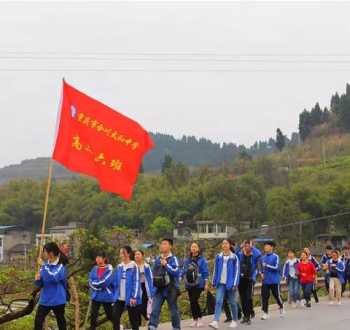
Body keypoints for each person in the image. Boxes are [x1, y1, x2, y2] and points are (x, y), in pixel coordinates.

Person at [148, 239, 181, 330]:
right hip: (159, 289)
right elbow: (153, 274)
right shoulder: (158, 259)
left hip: (171, 289)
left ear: (170, 246)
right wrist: (152, 290)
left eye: (165, 244)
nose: (162, 245)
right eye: (161, 244)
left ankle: (176, 327)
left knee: (173, 310)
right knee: (155, 308)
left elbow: (176, 272)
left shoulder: (173, 258)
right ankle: (152, 326)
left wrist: (166, 264)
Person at [34, 242, 68, 330]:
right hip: (45, 299)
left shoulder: (61, 266)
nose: (43, 254)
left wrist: (43, 265)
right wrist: (38, 279)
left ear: (51, 253)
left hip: (58, 299)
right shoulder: (45, 265)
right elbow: (40, 284)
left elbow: (54, 278)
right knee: (38, 321)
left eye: (44, 251)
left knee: (61, 322)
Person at [209, 239, 239, 329]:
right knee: (218, 301)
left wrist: (235, 283)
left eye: (226, 243)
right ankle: (215, 321)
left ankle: (234, 320)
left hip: (231, 284)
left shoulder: (234, 257)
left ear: (230, 245)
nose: (224, 245)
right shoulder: (218, 256)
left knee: (232, 302)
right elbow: (215, 270)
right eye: (223, 244)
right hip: (220, 283)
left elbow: (237, 271)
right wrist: (214, 281)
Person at [113, 246, 141, 330]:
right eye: (120, 253)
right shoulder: (119, 266)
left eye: (123, 253)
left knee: (134, 321)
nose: (121, 255)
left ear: (128, 254)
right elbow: (115, 281)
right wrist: (114, 295)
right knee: (115, 317)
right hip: (119, 298)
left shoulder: (134, 266)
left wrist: (134, 297)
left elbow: (136, 282)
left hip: (130, 298)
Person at [182, 242, 209, 328]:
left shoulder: (202, 259)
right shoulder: (187, 259)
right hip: (189, 283)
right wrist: (181, 277)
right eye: (192, 247)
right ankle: (195, 319)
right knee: (192, 302)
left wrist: (206, 284)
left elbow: (205, 272)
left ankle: (200, 318)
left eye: (195, 247)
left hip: (199, 284)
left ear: (198, 249)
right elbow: (184, 271)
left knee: (194, 300)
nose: (193, 248)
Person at [88, 251, 116, 330]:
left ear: (104, 259)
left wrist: (95, 284)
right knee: (93, 315)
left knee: (110, 315)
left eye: (99, 257)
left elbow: (105, 282)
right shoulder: (94, 268)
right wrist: (96, 286)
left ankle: (118, 326)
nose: (97, 259)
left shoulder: (109, 269)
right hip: (96, 295)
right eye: (96, 257)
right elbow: (90, 280)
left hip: (106, 296)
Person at [237, 240, 261, 325]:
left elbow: (259, 254)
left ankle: (248, 316)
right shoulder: (240, 255)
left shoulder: (253, 255)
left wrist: (252, 247)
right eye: (245, 246)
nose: (246, 247)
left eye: (248, 246)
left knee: (248, 298)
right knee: (243, 299)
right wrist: (240, 246)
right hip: (241, 280)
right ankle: (245, 316)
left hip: (250, 280)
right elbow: (235, 253)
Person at [260, 241, 284, 320]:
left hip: (274, 280)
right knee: (264, 297)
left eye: (266, 246)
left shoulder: (275, 256)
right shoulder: (262, 257)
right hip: (265, 281)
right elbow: (260, 268)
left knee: (277, 296)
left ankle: (281, 307)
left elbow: (276, 267)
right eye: (264, 246)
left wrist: (267, 265)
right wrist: (261, 273)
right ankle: (265, 313)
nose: (265, 247)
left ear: (271, 247)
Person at [135, 249, 154, 325]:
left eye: (138, 254)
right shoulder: (133, 266)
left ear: (142, 256)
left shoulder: (146, 266)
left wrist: (152, 289)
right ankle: (140, 323)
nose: (136, 256)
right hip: (136, 288)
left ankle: (148, 318)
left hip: (145, 288)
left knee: (144, 305)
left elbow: (151, 277)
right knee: (137, 306)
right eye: (136, 254)